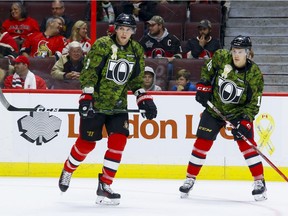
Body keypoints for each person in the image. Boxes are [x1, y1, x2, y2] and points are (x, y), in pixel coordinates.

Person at [58, 13, 157, 205]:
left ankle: (105, 184)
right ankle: (68, 169)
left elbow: (136, 80)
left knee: (119, 142)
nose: (124, 32)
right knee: (87, 144)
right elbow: (90, 72)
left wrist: (144, 99)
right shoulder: (103, 44)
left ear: (132, 32)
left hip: (118, 105)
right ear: (115, 29)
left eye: (128, 29)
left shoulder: (136, 50)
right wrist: (86, 98)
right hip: (97, 103)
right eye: (121, 28)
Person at [179, 35, 267, 201]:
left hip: (237, 112)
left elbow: (254, 103)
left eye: (240, 51)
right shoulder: (221, 56)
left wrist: (246, 121)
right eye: (234, 50)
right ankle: (190, 178)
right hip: (215, 108)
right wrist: (204, 85)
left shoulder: (255, 74)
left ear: (248, 53)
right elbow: (208, 68)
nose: (236, 54)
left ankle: (259, 182)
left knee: (247, 145)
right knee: (201, 143)